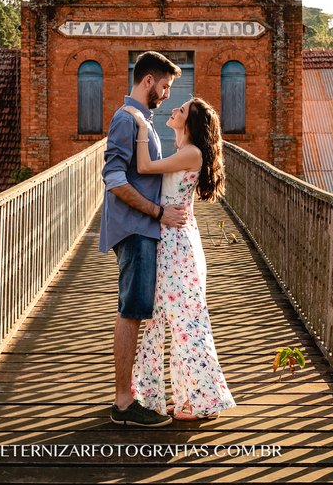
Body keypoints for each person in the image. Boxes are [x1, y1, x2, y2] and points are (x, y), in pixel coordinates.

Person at [121, 96, 235, 421]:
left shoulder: (191, 153)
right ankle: (184, 399)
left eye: (181, 110)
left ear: (190, 123)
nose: (174, 110)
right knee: (168, 319)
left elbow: (144, 167)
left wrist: (142, 125)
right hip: (175, 241)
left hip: (177, 246)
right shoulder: (185, 152)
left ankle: (200, 402)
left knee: (184, 322)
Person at [101, 51, 188, 427]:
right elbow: (114, 178)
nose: (168, 94)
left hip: (142, 227)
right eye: (166, 86)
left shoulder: (142, 120)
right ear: (148, 80)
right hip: (136, 227)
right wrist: (157, 212)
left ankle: (129, 396)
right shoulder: (127, 118)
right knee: (131, 311)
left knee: (135, 310)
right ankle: (123, 404)